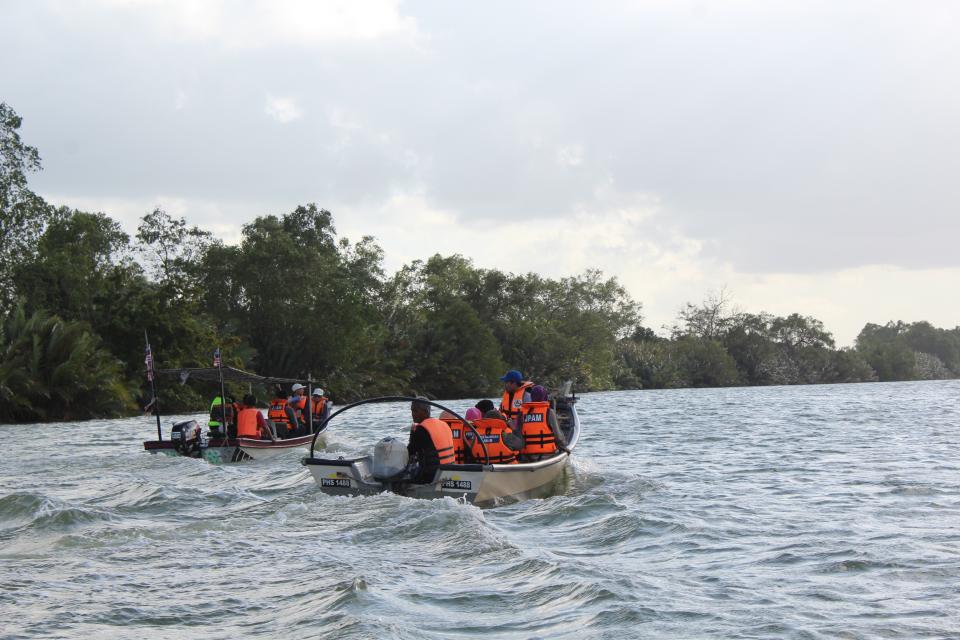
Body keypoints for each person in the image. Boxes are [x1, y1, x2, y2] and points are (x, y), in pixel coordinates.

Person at [407, 397, 456, 483]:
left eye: (415, 411)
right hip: (449, 471)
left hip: (431, 475)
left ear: (426, 411)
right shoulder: (444, 424)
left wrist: (412, 433)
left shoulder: (421, 429)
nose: (412, 414)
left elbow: (410, 452)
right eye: (412, 411)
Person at [519, 385, 567, 461]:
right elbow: (558, 435)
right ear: (544, 397)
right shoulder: (549, 412)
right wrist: (565, 446)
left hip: (526, 456)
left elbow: (518, 434)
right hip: (547, 455)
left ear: (532, 397)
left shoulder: (522, 413)